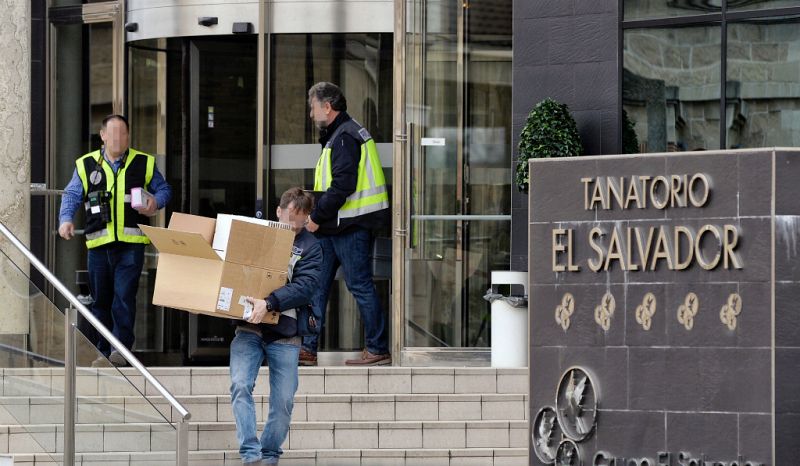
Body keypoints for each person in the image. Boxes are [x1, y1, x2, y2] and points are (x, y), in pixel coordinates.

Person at [58, 114, 171, 366]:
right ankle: (102, 351)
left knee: (124, 297)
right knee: (101, 301)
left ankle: (120, 351)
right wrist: (65, 219)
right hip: (98, 246)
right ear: (103, 135)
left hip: (131, 245)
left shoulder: (143, 162)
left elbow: (164, 189)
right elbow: (72, 195)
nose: (118, 138)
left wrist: (156, 201)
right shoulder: (86, 164)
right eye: (113, 133)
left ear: (128, 136)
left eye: (122, 133)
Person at [229, 187, 322, 466]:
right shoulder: (256, 235)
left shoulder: (311, 247)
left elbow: (305, 287)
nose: (293, 227)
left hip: (286, 332)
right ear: (278, 211)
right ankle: (250, 453)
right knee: (240, 385)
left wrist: (269, 302)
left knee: (283, 402)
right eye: (289, 219)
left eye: (301, 223)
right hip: (249, 328)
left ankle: (269, 454)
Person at [301, 82, 391, 366]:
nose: (311, 113)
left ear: (327, 107)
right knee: (316, 285)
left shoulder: (344, 137)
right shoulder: (340, 133)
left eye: (313, 107)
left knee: (359, 285)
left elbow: (342, 186)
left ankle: (377, 348)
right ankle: (308, 349)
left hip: (349, 227)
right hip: (336, 226)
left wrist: (315, 217)